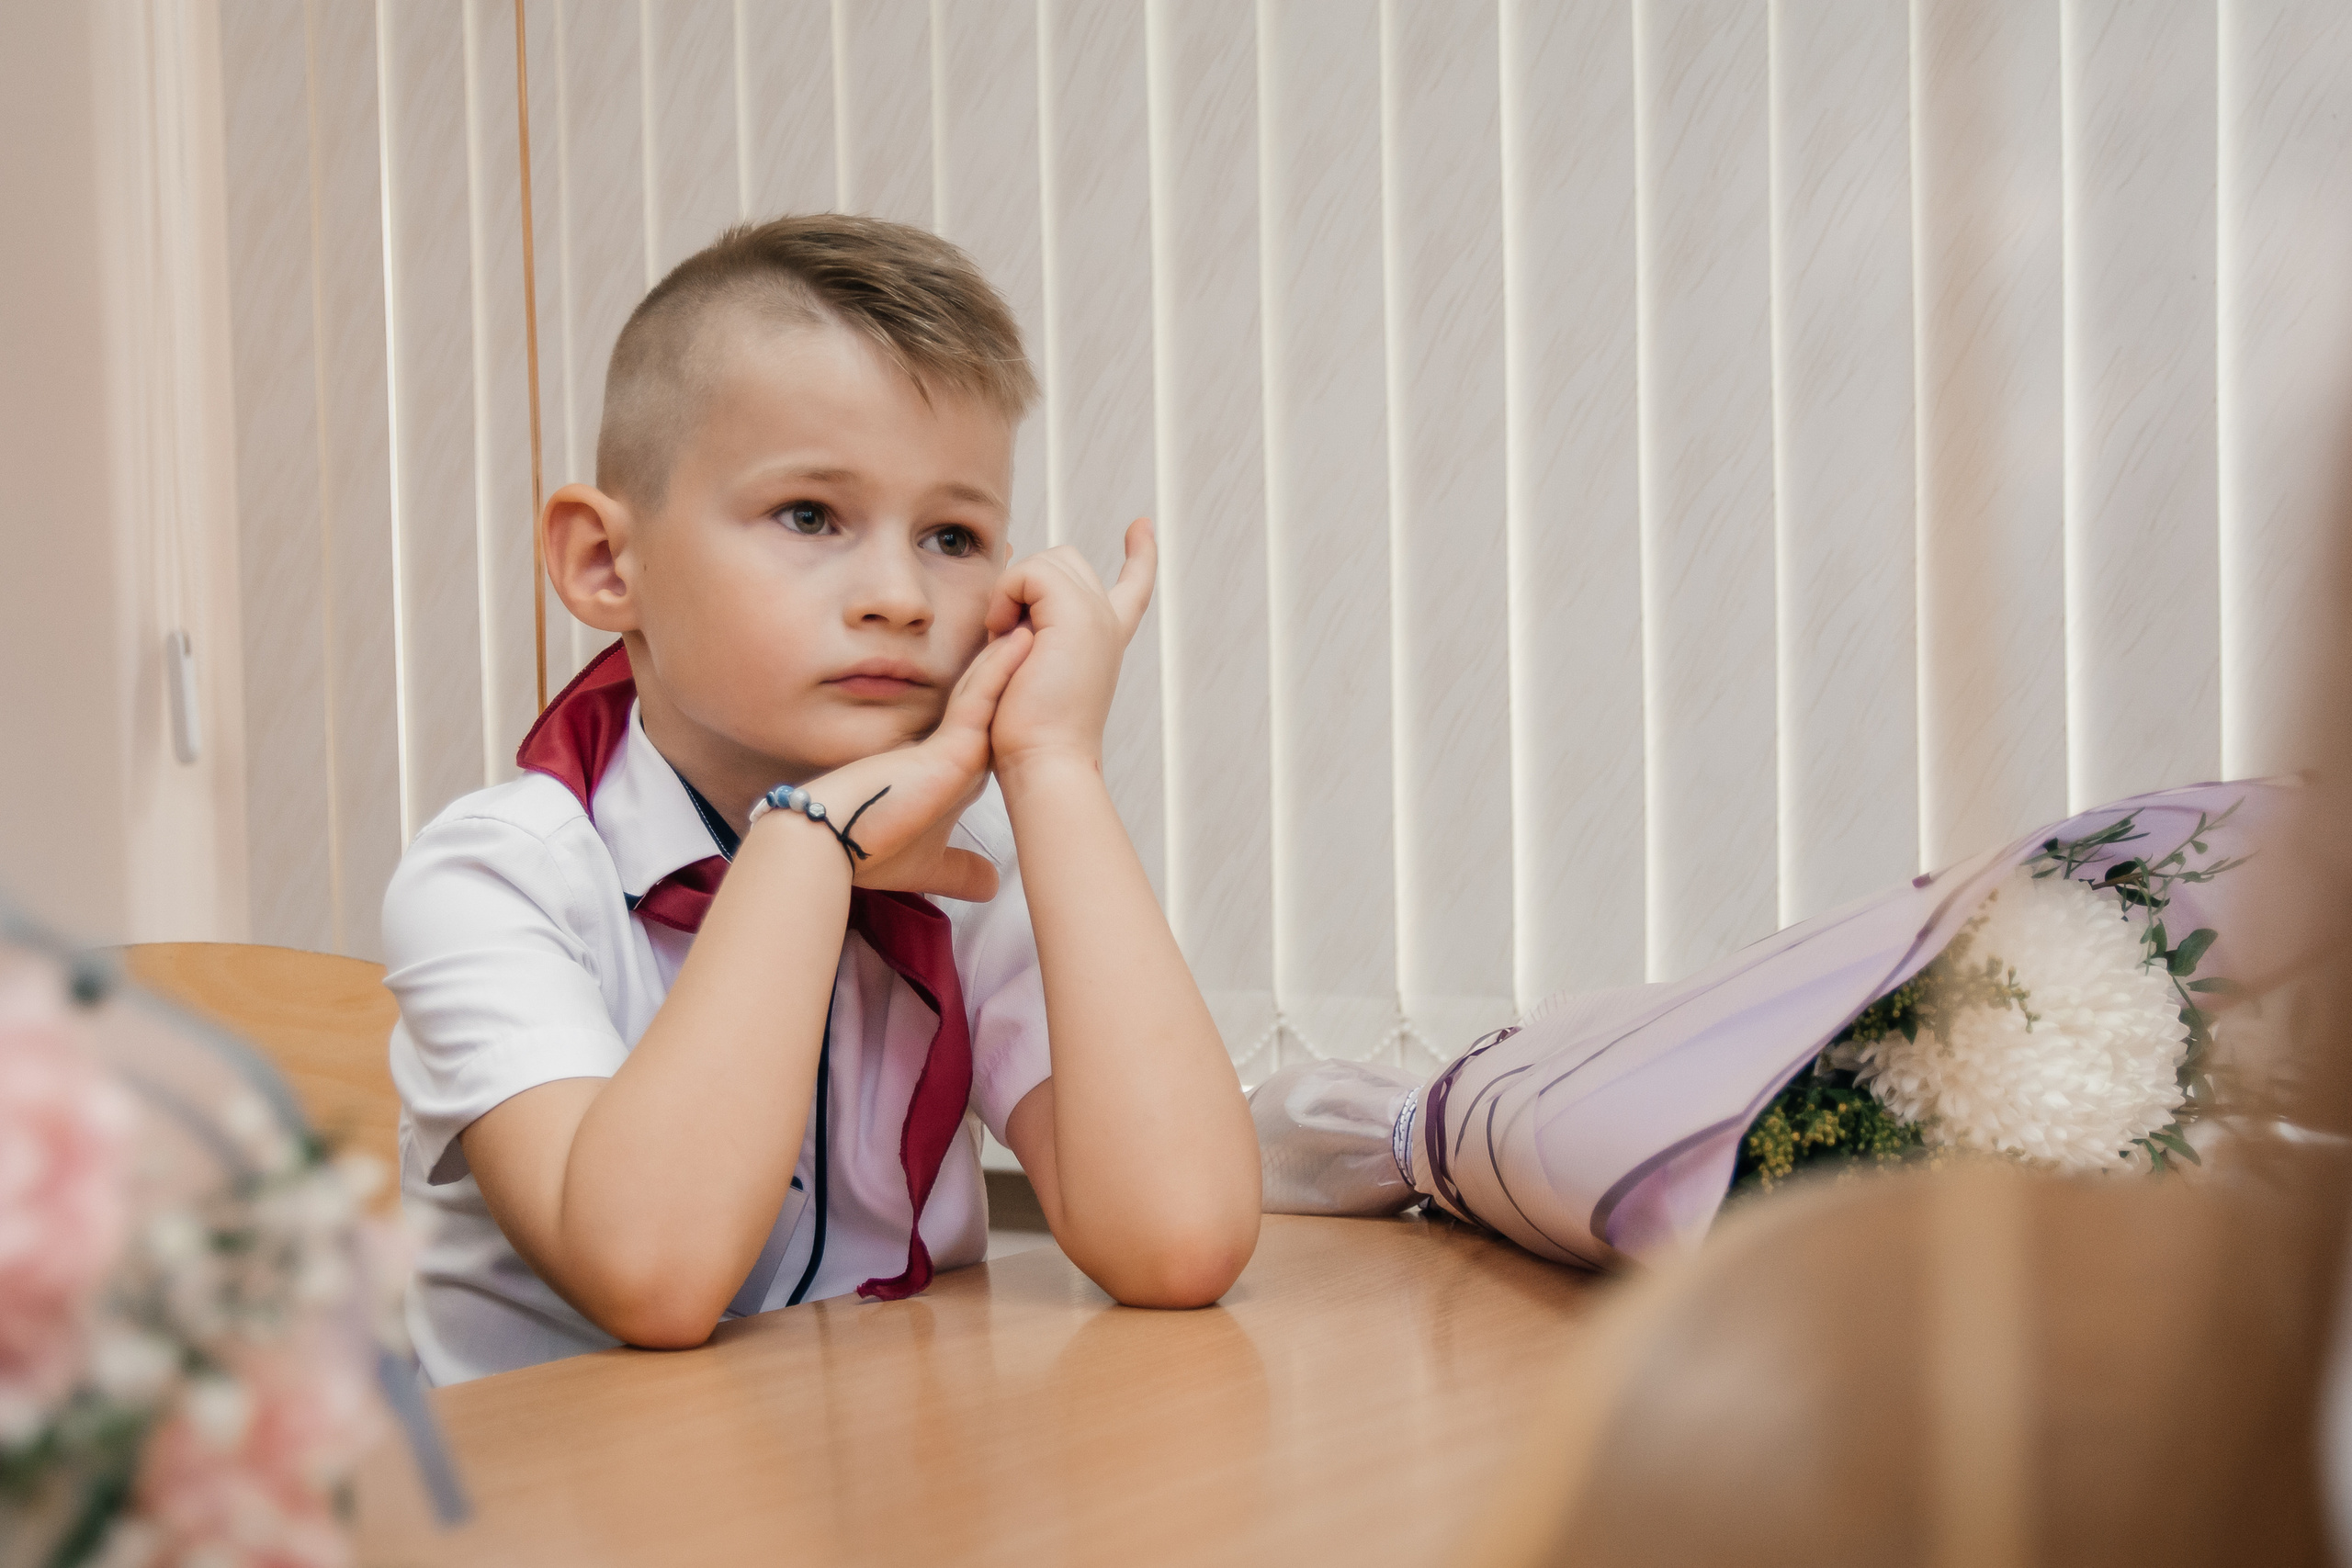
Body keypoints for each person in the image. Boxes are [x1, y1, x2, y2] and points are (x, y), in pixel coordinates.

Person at [382, 214, 1261, 1384]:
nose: (899, 595)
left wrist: (1054, 764)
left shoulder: (966, 875)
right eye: (808, 516)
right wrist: (801, 852)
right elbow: (655, 1274)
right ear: (605, 564)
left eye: (952, 535)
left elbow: (1178, 1238)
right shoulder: (494, 879)